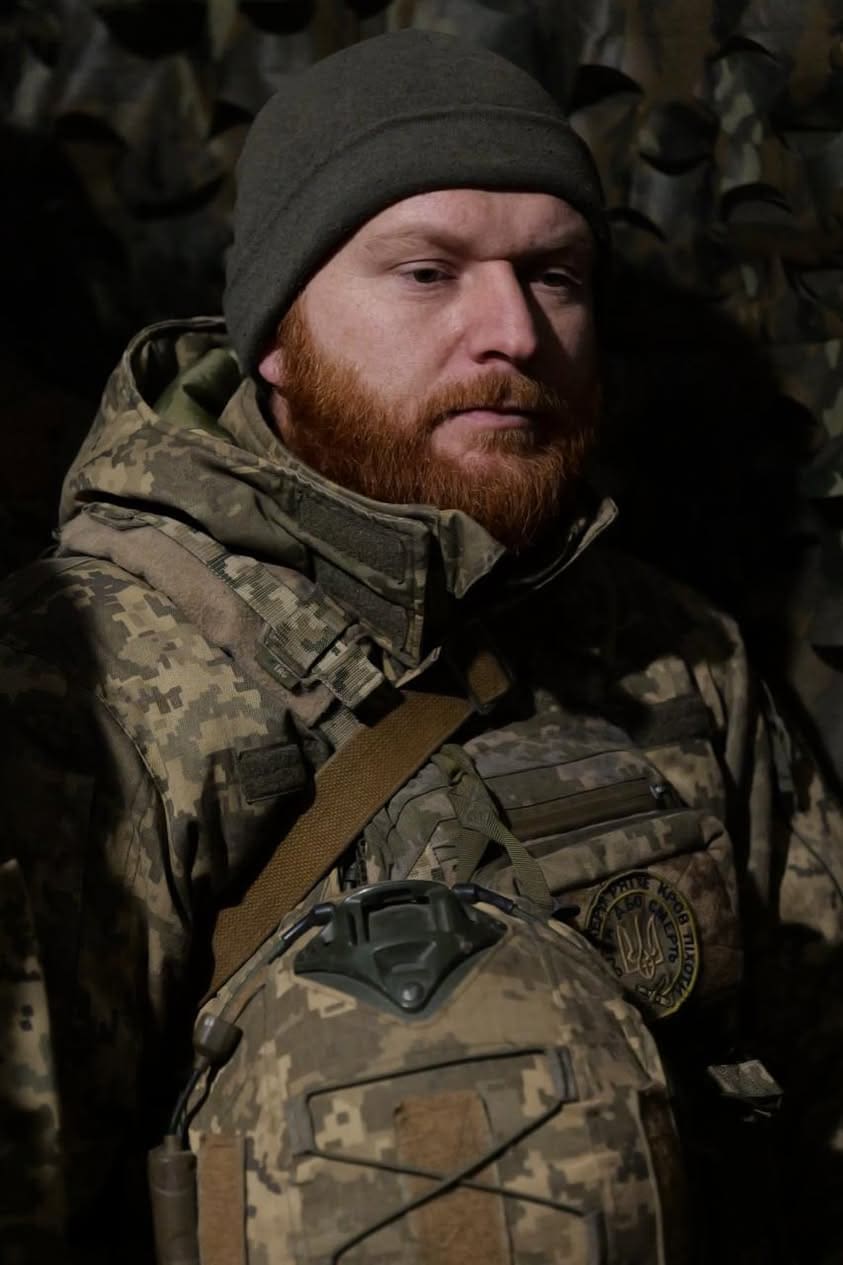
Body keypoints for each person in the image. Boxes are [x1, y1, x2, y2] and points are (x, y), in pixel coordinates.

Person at [0, 28, 841, 1265]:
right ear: (275, 331)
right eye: (428, 272)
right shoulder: (91, 671)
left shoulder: (672, 651)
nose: (515, 330)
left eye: (554, 274)